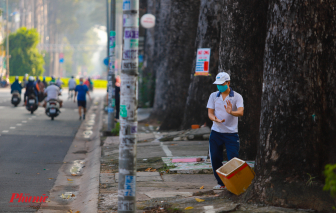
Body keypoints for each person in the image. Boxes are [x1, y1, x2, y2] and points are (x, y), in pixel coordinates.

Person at [206, 72, 244, 190]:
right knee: (215, 158)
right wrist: (215, 119)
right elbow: (210, 113)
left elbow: (241, 112)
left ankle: (235, 184)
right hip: (216, 132)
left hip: (231, 134)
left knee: (233, 159)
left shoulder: (237, 96)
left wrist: (231, 112)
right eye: (217, 84)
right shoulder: (213, 96)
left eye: (221, 84)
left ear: (228, 83)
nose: (219, 86)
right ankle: (221, 183)